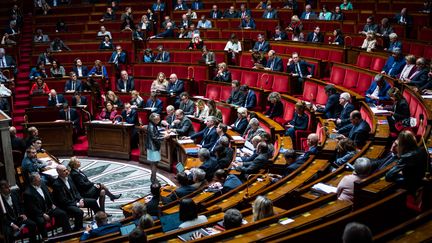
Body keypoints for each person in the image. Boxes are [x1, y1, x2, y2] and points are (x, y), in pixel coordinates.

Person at [52, 164, 102, 231]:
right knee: (79, 212)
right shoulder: (56, 184)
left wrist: (80, 199)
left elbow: (76, 191)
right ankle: (78, 229)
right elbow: (63, 200)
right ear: (58, 172)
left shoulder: (69, 178)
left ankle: (100, 220)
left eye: (66, 169)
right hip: (67, 205)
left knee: (93, 201)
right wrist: (77, 204)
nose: (67, 172)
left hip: (76, 200)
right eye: (64, 171)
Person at [23, 173, 72, 238]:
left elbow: (50, 195)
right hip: (38, 213)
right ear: (33, 181)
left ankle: (67, 234)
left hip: (49, 209)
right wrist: (43, 214)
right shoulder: (27, 193)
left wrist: (52, 204)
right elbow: (32, 208)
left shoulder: (42, 184)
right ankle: (45, 239)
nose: (41, 180)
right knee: (41, 222)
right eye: (39, 179)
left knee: (62, 213)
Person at [146, 113, 169, 183]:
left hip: (153, 147)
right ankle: (153, 179)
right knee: (154, 163)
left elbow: (156, 134)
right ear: (153, 119)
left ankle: (153, 177)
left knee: (154, 163)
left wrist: (162, 134)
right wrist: (164, 137)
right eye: (157, 120)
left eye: (159, 119)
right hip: (153, 147)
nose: (158, 121)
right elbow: (154, 137)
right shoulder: (151, 126)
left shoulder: (153, 124)